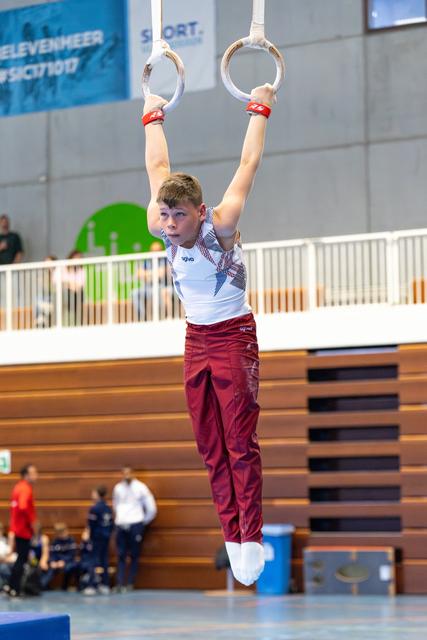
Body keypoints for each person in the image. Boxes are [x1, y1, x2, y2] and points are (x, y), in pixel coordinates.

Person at [143, 83, 276, 586]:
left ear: (200, 212)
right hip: (195, 337)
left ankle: (252, 533)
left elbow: (248, 166)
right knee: (209, 445)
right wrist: (152, 116)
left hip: (233, 336)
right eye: (166, 214)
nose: (170, 224)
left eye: (179, 215)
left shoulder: (221, 226)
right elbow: (159, 169)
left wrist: (260, 106)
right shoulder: (160, 221)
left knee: (239, 441)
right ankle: (231, 531)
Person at [112, 466, 157, 592]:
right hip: (121, 524)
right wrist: (120, 519)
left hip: (135, 524)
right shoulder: (118, 488)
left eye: (128, 473)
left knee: (134, 554)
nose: (126, 476)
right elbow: (116, 505)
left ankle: (130, 582)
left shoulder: (141, 488)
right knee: (121, 555)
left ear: (133, 474)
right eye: (124, 473)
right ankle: (120, 583)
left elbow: (151, 508)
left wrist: (142, 522)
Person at [2, 464, 38, 597]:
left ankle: (12, 587)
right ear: (26, 475)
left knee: (20, 560)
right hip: (23, 530)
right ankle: (14, 588)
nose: (36, 476)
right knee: (21, 560)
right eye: (34, 473)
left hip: (18, 529)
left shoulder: (18, 487)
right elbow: (23, 507)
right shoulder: (25, 489)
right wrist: (32, 523)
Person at [87, 485, 113, 594]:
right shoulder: (108, 508)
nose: (92, 495)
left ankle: (92, 586)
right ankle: (105, 585)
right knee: (104, 560)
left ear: (98, 495)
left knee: (93, 561)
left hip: (96, 537)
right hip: (106, 537)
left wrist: (90, 537)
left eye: (93, 493)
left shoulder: (94, 508)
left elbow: (91, 525)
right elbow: (111, 524)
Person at [46, 522, 79, 590]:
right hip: (57, 562)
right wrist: (53, 561)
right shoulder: (55, 541)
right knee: (50, 568)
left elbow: (72, 554)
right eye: (59, 533)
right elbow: (52, 554)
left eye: (62, 533)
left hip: (69, 561)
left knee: (70, 567)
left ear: (66, 531)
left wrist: (63, 561)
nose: (61, 535)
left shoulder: (71, 540)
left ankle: (65, 586)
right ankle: (43, 585)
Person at [62, 249, 85, 326]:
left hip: (76, 295)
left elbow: (79, 287)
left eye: (79, 259)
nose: (77, 261)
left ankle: (75, 322)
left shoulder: (82, 271)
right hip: (66, 295)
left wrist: (69, 284)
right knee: (66, 293)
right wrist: (70, 285)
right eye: (76, 258)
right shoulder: (63, 268)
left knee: (75, 295)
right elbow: (60, 283)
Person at [28, 521, 50, 590]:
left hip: (40, 559)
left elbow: (45, 553)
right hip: (31, 559)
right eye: (34, 527)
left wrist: (43, 561)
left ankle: (40, 585)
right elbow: (28, 551)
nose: (35, 529)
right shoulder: (29, 538)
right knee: (32, 566)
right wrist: (32, 560)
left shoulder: (44, 538)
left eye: (37, 527)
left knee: (44, 567)